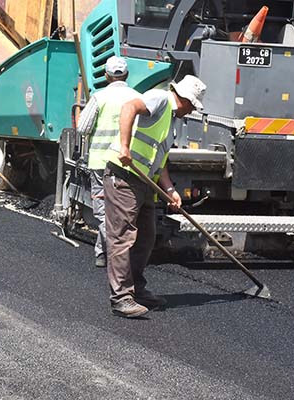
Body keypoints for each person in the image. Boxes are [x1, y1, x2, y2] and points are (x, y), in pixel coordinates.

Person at [104, 75, 206, 318]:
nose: (192, 110)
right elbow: (130, 107)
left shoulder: (171, 120)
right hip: (124, 177)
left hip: (145, 182)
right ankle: (121, 297)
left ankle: (137, 289)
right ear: (183, 98)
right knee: (122, 237)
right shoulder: (160, 99)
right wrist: (125, 146)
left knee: (146, 237)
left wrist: (170, 190)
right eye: (192, 105)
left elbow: (161, 160)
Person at [77, 56, 140, 268]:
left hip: (100, 162)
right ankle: (101, 252)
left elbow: (82, 128)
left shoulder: (99, 97)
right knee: (121, 209)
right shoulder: (138, 98)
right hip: (126, 163)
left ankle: (114, 253)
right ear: (127, 75)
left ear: (106, 75)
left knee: (103, 210)